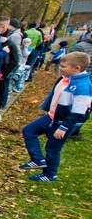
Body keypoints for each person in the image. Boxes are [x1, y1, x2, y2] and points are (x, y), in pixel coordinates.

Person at [19, 52, 91, 182]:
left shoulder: (82, 86)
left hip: (63, 122)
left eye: (63, 66)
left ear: (77, 68)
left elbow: (78, 111)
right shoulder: (65, 79)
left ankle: (50, 174)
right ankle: (37, 159)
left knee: (52, 149)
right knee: (29, 130)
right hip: (51, 117)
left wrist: (64, 127)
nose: (60, 68)